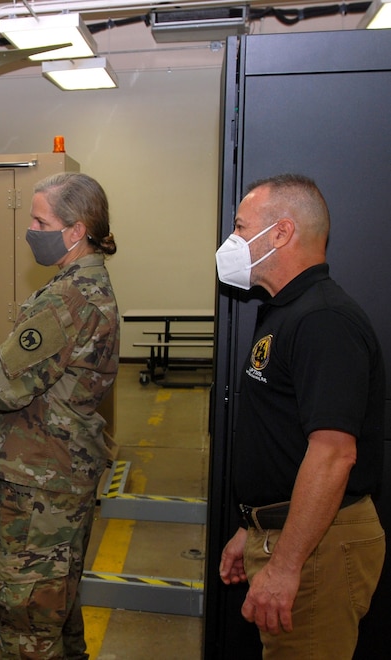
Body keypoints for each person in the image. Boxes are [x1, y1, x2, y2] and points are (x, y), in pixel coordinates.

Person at [217, 173, 386, 658]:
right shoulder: (286, 311)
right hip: (290, 532)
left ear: (282, 234)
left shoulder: (323, 320)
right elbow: (283, 439)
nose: (233, 241)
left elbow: (333, 456)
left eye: (241, 227)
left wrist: (287, 565)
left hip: (318, 548)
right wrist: (252, 526)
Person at [0, 172, 119, 659]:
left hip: (42, 483)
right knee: (58, 605)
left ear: (76, 230)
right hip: (63, 473)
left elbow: (0, 383)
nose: (31, 229)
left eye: (40, 220)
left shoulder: (67, 299)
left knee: (27, 617)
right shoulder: (85, 286)